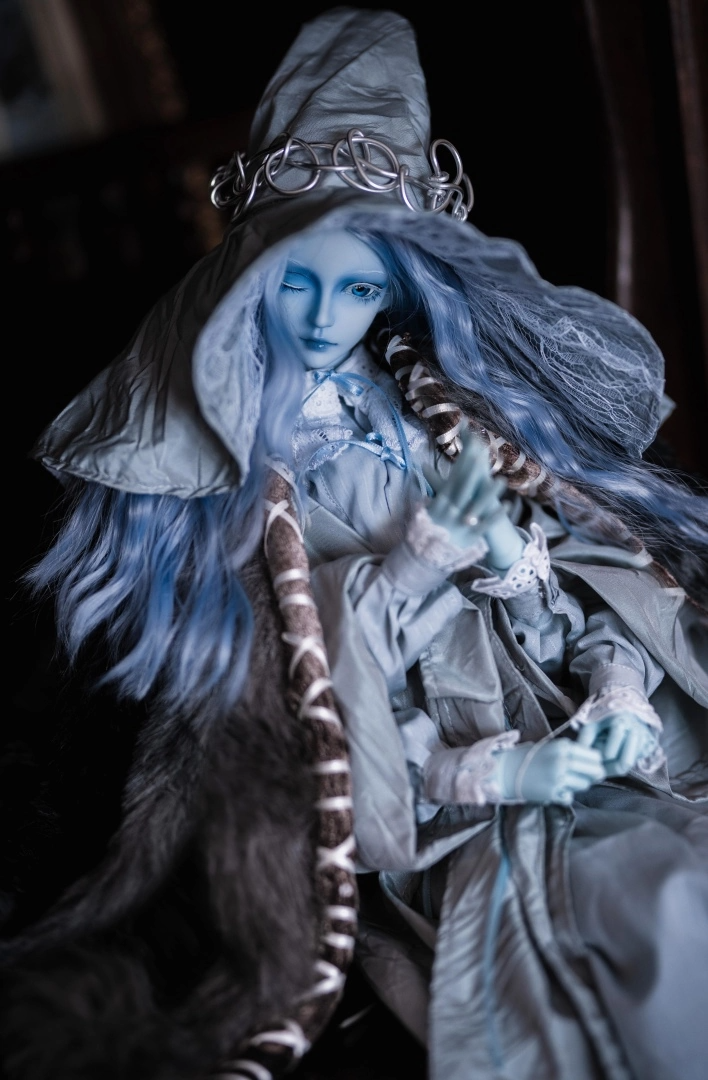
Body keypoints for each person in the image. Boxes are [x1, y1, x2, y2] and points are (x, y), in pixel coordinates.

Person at [2, 9, 707, 1080]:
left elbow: (577, 587)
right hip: (469, 814)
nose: (327, 316)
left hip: (593, 742)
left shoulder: (431, 405)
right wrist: (505, 757)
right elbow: (321, 716)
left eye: (362, 285)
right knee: (657, 911)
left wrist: (604, 674)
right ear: (249, 274)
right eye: (297, 280)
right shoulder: (259, 478)